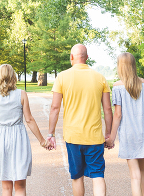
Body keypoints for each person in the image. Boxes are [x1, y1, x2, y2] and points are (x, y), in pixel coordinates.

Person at [47, 44, 113, 196]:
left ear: (71, 57)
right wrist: (108, 133)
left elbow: (55, 108)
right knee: (98, 175)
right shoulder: (100, 78)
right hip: (94, 137)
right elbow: (107, 109)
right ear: (87, 58)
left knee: (77, 177)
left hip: (73, 136)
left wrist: (50, 134)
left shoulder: (62, 77)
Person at [0, 64, 52, 196]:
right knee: (20, 186)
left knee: (6, 187)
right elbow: (29, 119)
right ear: (14, 77)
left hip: (1, 138)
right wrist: (42, 141)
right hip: (18, 138)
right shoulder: (21, 94)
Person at [105, 52, 144, 196]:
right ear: (133, 65)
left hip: (128, 134)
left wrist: (111, 138)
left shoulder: (117, 87)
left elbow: (118, 115)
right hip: (143, 133)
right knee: (142, 171)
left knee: (134, 175)